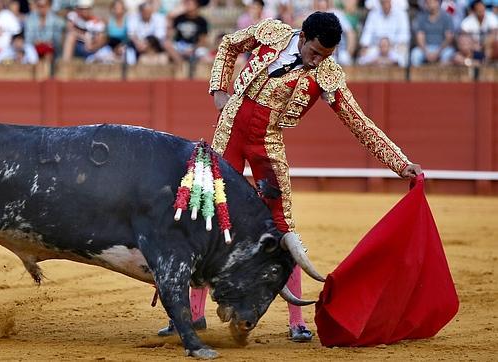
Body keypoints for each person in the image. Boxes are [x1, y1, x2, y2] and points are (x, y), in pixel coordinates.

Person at [156, 11, 422, 342]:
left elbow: (359, 122)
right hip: (230, 133)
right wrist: (219, 90)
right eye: (314, 53)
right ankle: (192, 316)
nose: (316, 62)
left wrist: (401, 163)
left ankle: (296, 321)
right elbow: (228, 44)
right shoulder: (272, 32)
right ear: (304, 37)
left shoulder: (327, 74)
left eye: (325, 56)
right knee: (206, 218)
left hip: (267, 143)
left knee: (283, 229)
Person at [410, 0, 455, 66]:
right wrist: (426, 52)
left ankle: (443, 75)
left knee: (448, 54)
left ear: (438, 3)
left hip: (442, 48)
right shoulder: (421, 17)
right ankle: (417, 76)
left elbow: (448, 38)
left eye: (433, 2)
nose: (431, 5)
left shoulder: (446, 17)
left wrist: (438, 52)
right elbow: (420, 38)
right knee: (415, 54)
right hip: (426, 48)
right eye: (428, 3)